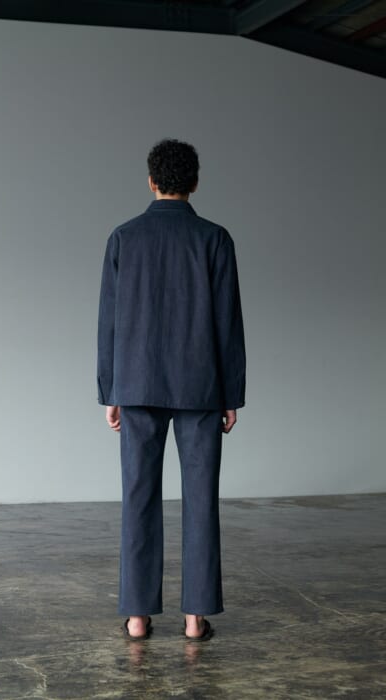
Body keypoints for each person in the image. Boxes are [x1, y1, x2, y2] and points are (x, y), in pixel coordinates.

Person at [96, 137, 246, 641]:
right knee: (201, 499)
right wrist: (231, 394)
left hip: (137, 382)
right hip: (201, 386)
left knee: (137, 496)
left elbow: (109, 322)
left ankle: (138, 618)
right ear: (194, 183)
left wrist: (110, 390)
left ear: (151, 181)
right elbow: (228, 323)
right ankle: (195, 619)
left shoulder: (124, 238)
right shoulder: (214, 239)